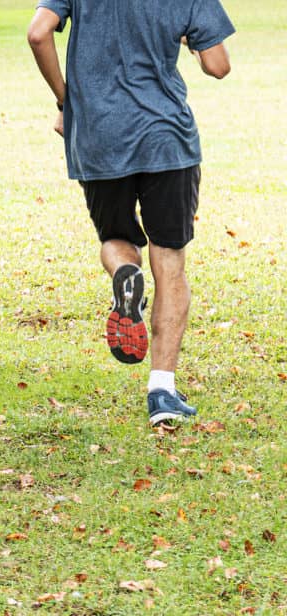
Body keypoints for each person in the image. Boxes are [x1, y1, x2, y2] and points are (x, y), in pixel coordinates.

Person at [28, 0, 234, 425]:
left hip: (100, 134)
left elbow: (37, 32)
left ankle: (126, 275)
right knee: (170, 261)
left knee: (115, 240)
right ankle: (162, 391)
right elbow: (218, 65)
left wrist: (67, 99)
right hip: (167, 139)